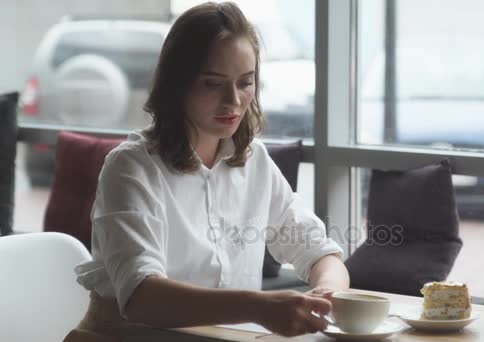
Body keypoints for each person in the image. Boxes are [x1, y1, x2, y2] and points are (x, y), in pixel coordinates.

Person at [64, 2, 349, 341]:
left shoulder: (254, 161)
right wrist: (259, 307)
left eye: (245, 83)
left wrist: (326, 294)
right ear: (177, 84)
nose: (233, 101)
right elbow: (142, 298)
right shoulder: (131, 168)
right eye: (213, 84)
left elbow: (320, 252)